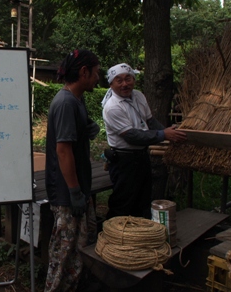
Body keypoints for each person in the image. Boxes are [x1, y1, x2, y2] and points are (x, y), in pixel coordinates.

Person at [44, 49, 101, 292]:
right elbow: (63, 151)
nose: (99, 78)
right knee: (64, 250)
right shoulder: (66, 102)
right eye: (96, 73)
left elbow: (76, 134)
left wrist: (88, 126)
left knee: (79, 247)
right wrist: (75, 192)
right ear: (84, 72)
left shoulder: (77, 99)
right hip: (68, 193)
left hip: (78, 188)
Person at [101, 63, 186, 220]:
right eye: (119, 80)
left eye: (128, 79)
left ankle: (139, 236)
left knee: (143, 199)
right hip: (124, 161)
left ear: (134, 79)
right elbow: (132, 136)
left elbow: (150, 121)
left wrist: (169, 133)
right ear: (111, 84)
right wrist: (163, 135)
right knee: (123, 201)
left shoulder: (139, 96)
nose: (125, 84)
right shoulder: (112, 108)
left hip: (141, 156)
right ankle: (113, 236)